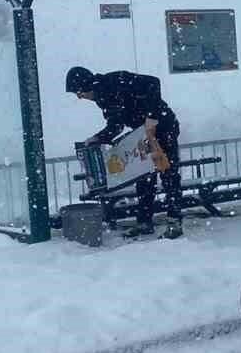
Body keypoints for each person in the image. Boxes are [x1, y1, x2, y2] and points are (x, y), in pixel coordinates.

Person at [66, 65, 183, 240]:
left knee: (168, 174)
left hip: (163, 128)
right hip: (143, 134)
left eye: (79, 93)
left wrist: (150, 118)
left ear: (86, 85)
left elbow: (153, 82)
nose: (80, 97)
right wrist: (97, 138)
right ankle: (144, 222)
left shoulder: (113, 80)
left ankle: (174, 222)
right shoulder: (102, 98)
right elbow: (116, 125)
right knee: (144, 177)